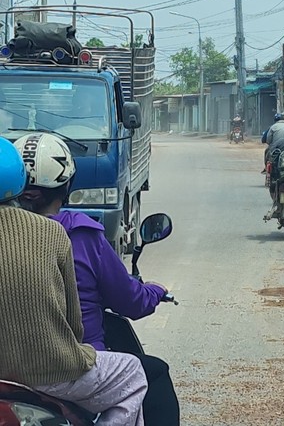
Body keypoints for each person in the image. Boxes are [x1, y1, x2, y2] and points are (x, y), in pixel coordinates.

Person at [13, 132, 180, 426]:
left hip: (9, 365)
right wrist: (154, 291)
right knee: (148, 375)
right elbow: (129, 302)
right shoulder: (75, 234)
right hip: (61, 367)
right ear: (67, 185)